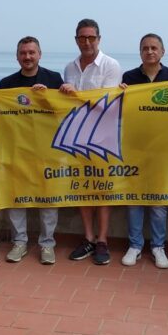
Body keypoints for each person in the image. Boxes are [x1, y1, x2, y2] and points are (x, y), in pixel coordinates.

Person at [60, 18, 122, 266]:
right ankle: (87, 238)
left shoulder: (111, 65)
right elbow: (66, 105)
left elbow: (107, 102)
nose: (87, 42)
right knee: (83, 188)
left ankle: (102, 240)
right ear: (76, 40)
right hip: (77, 137)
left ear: (99, 39)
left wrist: (74, 95)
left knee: (103, 190)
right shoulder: (69, 67)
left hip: (104, 138)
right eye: (82, 38)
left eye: (91, 38)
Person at [0, 36, 64, 265]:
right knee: (17, 197)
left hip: (47, 150)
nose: (27, 57)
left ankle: (47, 244)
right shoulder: (6, 84)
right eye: (23, 53)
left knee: (49, 198)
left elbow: (63, 112)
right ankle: (20, 242)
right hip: (17, 149)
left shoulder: (53, 79)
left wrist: (47, 97)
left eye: (31, 52)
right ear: (17, 56)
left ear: (39, 54)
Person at [120, 33, 168, 269]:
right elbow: (122, 111)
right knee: (134, 198)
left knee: (158, 201)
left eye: (154, 48)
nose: (150, 52)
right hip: (135, 146)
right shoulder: (129, 77)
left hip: (163, 149)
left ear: (162, 52)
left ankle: (158, 246)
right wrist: (120, 94)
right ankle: (135, 245)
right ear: (140, 52)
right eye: (145, 48)